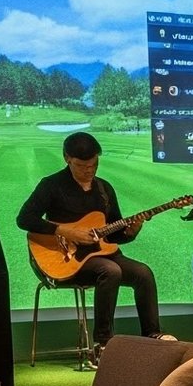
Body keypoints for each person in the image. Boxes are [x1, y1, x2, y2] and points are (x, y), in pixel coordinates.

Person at [17, 131, 162, 357]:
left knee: (143, 273)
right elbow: (24, 219)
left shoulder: (104, 189)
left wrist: (131, 231)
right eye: (82, 166)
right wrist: (65, 231)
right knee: (110, 271)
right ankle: (103, 344)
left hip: (103, 255)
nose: (89, 170)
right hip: (66, 261)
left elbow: (112, 236)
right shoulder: (51, 185)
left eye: (94, 165)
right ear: (67, 158)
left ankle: (153, 337)